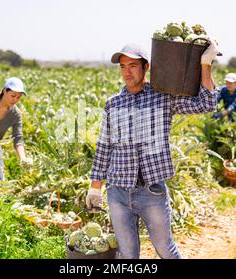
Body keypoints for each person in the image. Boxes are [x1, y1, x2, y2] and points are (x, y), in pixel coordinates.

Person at [86, 39, 220, 259]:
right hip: (118, 191)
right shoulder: (113, 103)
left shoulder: (163, 97)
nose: (127, 72)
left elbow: (206, 103)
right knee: (127, 255)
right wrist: (95, 187)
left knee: (166, 250)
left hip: (151, 191)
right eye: (122, 67)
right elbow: (104, 147)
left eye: (132, 66)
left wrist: (205, 64)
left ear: (146, 67)